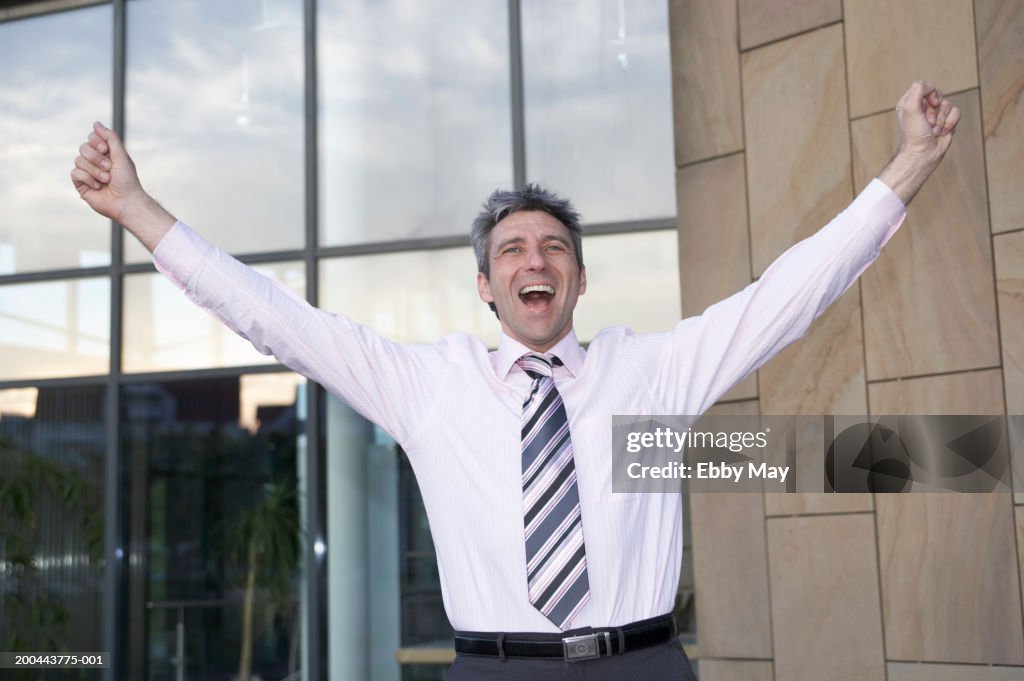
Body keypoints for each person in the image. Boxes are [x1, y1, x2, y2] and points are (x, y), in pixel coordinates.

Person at [72, 80, 959, 679]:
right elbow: (275, 317)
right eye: (512, 250)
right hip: (495, 668)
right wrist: (136, 210)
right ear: (487, 287)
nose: (535, 259)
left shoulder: (649, 371)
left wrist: (912, 160)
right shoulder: (427, 386)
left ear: (578, 277)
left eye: (555, 247)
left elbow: (789, 294)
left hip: (644, 664)